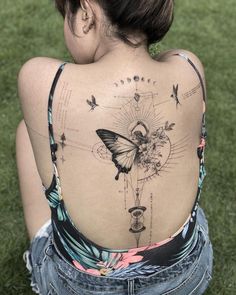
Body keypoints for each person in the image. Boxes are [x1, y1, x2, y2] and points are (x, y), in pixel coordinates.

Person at [16, 0, 213, 294]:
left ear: (84, 13)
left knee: (27, 130)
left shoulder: (43, 79)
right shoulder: (188, 66)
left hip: (79, 287)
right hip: (185, 278)